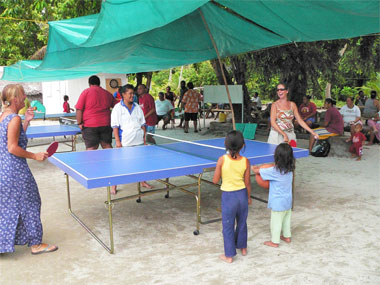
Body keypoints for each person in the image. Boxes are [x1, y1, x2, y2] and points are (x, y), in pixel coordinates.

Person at [0, 84, 58, 255]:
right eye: (22, 94)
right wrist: (34, 156)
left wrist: (26, 121)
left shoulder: (4, 116)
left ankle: (5, 242)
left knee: (8, 206)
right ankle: (36, 244)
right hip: (15, 170)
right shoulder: (14, 119)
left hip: (3, 169)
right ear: (14, 99)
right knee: (31, 202)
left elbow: (13, 139)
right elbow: (12, 147)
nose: (25, 97)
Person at [212, 130, 252, 263]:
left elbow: (215, 180)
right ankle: (243, 247)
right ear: (242, 145)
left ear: (225, 144)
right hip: (242, 196)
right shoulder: (246, 161)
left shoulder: (222, 159)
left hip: (229, 197)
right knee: (242, 222)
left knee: (228, 225)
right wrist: (249, 197)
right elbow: (247, 183)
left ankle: (229, 255)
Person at [251, 143, 295, 248]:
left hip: (277, 202)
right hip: (288, 201)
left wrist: (253, 165)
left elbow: (257, 171)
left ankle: (274, 241)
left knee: (276, 222)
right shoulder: (290, 171)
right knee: (286, 219)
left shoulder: (274, 171)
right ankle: (287, 236)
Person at [111, 84, 152, 193]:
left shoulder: (137, 107)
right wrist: (118, 142)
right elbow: (115, 127)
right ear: (123, 95)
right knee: (119, 165)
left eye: (133, 93)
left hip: (138, 141)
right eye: (130, 93)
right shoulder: (117, 108)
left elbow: (143, 125)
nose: (132, 96)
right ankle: (113, 185)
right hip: (125, 142)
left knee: (141, 163)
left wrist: (144, 141)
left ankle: (142, 181)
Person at [75, 75, 117, 150]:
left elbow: (79, 109)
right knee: (107, 145)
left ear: (89, 84)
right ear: (99, 83)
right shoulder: (107, 93)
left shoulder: (85, 92)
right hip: (106, 124)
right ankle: (112, 161)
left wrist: (79, 123)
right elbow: (117, 106)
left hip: (90, 125)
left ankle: (90, 162)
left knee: (91, 148)